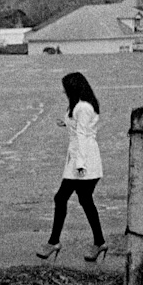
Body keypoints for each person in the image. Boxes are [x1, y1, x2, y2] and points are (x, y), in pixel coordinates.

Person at [38, 71, 107, 264]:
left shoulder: (82, 107)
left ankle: (54, 242)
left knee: (63, 198)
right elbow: (79, 129)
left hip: (83, 160)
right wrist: (66, 123)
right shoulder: (80, 106)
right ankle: (99, 242)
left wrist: (80, 165)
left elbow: (83, 136)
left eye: (65, 88)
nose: (63, 91)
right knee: (84, 200)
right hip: (80, 158)